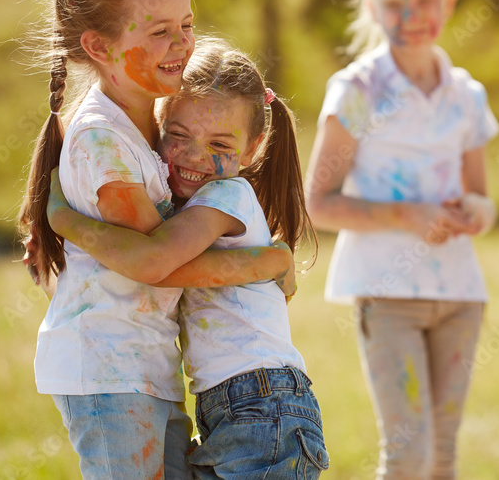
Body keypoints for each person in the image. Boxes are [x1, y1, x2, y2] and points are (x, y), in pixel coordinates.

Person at [19, 0, 293, 479]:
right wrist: (266, 265)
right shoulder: (104, 138)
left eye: (187, 24)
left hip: (146, 367)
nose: (183, 44)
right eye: (161, 31)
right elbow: (156, 262)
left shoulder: (152, 128)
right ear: (100, 47)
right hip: (109, 371)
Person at [47, 38, 328, 478]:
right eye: (178, 136)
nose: (195, 156)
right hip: (238, 404)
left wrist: (66, 222)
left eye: (220, 144)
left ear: (253, 148)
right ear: (159, 124)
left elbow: (155, 264)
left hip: (262, 404)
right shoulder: (193, 205)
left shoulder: (225, 195)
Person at [305, 0, 499, 479]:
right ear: (370, 6)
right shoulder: (361, 91)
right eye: (394, 3)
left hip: (460, 294)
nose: (411, 15)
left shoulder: (466, 96)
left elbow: (481, 198)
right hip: (387, 293)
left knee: (442, 457)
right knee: (408, 455)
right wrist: (406, 216)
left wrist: (478, 214)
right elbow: (319, 202)